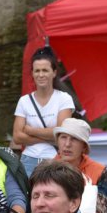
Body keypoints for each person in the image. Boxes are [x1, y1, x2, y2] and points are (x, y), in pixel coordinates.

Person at [12, 47, 74, 176]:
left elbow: (62, 132)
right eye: (37, 71)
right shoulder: (24, 101)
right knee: (29, 195)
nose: (41, 75)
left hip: (55, 158)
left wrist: (30, 131)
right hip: (28, 160)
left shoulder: (64, 98)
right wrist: (50, 137)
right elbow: (17, 137)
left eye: (45, 70)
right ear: (32, 73)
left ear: (54, 72)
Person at [53, 118, 107, 213]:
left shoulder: (97, 171)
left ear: (84, 146)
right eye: (63, 137)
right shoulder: (45, 170)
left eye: (74, 139)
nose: (67, 144)